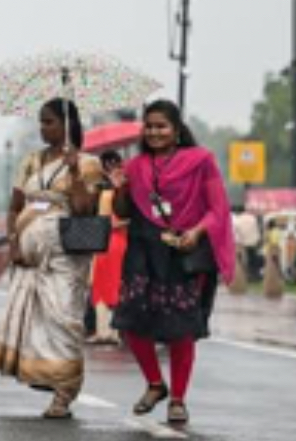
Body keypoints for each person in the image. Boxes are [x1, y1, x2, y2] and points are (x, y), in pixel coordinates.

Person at [111, 100, 236, 428]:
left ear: (177, 130)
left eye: (161, 126)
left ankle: (178, 399)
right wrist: (120, 186)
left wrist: (195, 232)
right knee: (130, 319)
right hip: (142, 250)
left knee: (181, 329)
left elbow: (217, 208)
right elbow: (124, 211)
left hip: (182, 252)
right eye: (149, 126)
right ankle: (155, 384)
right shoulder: (135, 165)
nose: (154, 132)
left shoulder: (201, 161)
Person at [0, 98, 102, 420]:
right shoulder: (31, 162)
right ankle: (47, 378)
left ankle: (65, 392)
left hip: (66, 257)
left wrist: (75, 169)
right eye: (41, 121)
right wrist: (13, 243)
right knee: (37, 323)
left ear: (68, 124)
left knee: (64, 321)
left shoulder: (89, 163)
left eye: (50, 121)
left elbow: (83, 210)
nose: (43, 128)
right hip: (29, 259)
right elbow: (14, 207)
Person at [87, 150, 129, 345]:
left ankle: (108, 331)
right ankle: (108, 330)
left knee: (107, 285)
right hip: (112, 241)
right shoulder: (117, 188)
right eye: (109, 163)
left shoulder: (110, 189)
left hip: (111, 241)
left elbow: (115, 219)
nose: (112, 166)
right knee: (107, 285)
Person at [232, 206, 262, 281]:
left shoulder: (238, 220)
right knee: (253, 258)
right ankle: (255, 275)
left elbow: (237, 231)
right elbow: (257, 228)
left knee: (245, 260)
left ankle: (247, 276)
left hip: (244, 242)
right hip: (254, 241)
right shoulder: (253, 218)